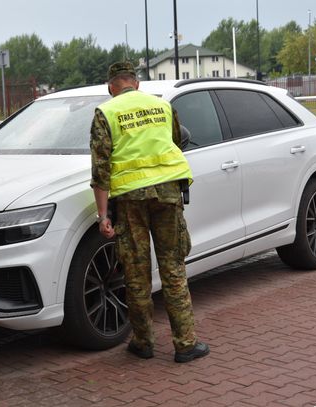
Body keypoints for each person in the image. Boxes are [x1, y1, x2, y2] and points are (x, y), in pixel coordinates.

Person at [89, 61, 209, 363]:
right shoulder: (162, 106)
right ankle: (185, 344)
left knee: (136, 272)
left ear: (110, 87)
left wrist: (103, 216)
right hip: (167, 195)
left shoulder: (107, 113)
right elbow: (175, 140)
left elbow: (100, 169)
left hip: (130, 200)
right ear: (137, 83)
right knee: (173, 268)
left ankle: (143, 342)